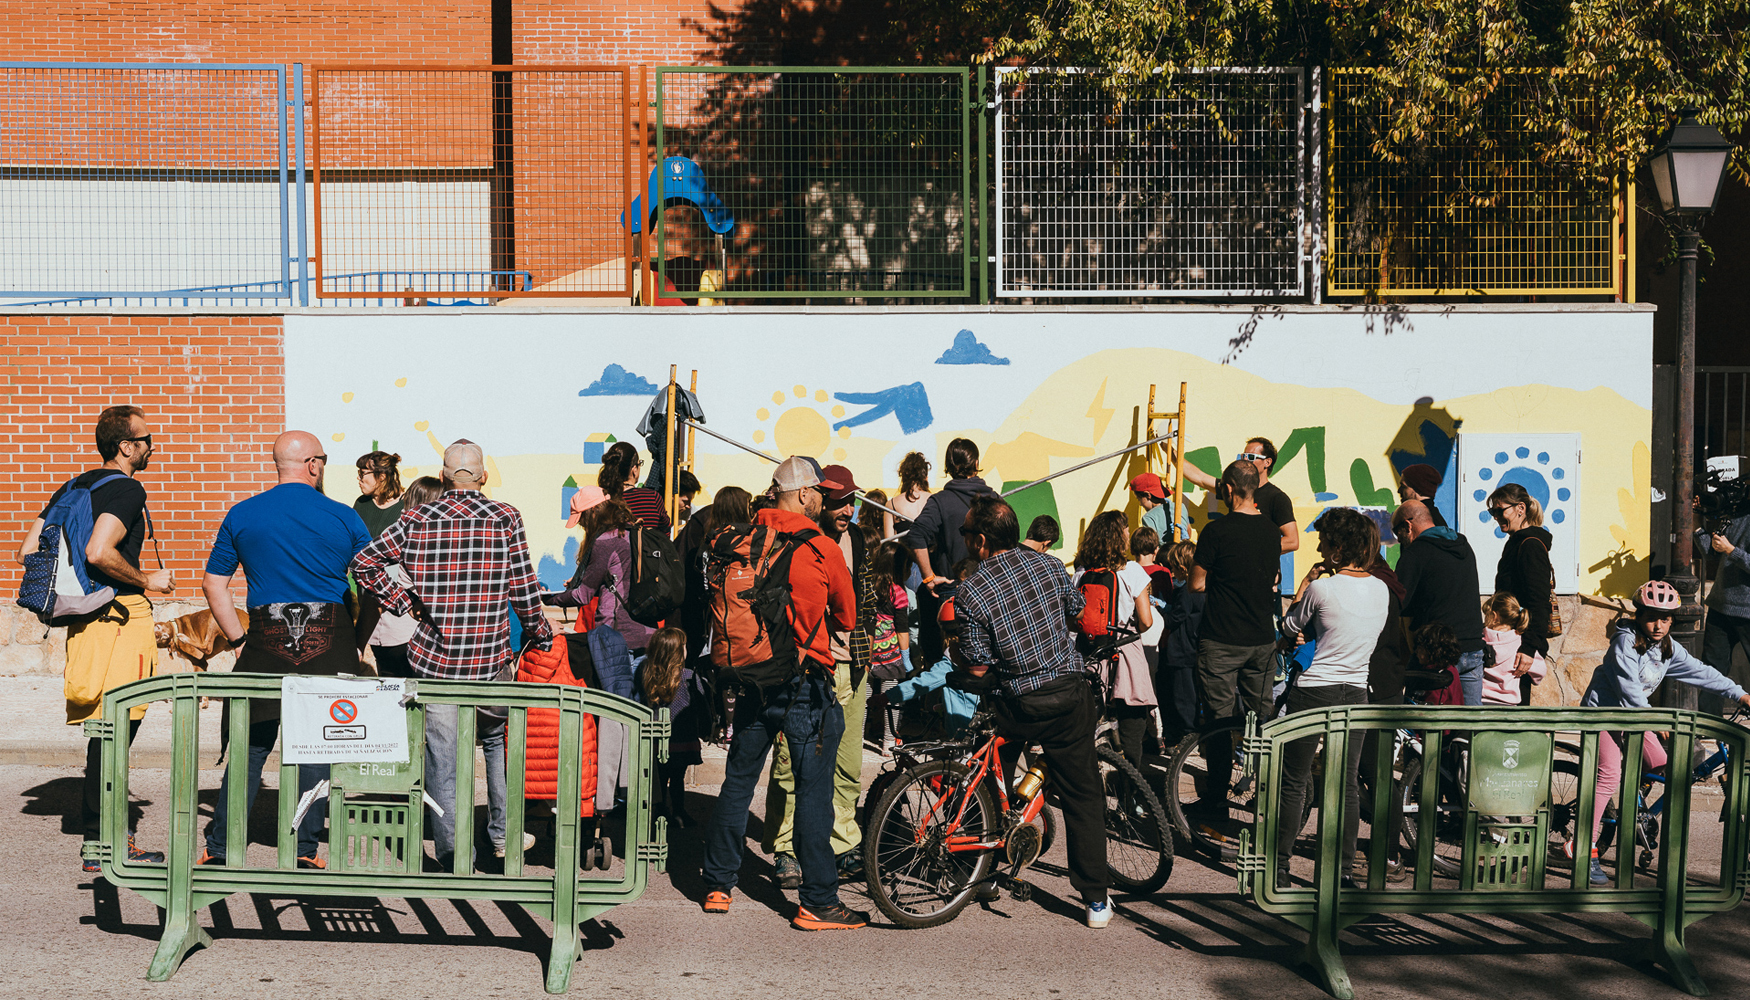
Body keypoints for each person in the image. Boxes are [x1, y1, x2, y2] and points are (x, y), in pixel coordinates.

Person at [350, 439, 554, 870]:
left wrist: (404, 600)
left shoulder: (417, 516)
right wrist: (539, 631)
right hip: (491, 661)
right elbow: (523, 585)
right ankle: (502, 837)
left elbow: (364, 563)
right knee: (498, 742)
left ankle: (453, 852)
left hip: (436, 661)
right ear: (482, 476)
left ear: (443, 477)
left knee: (444, 759)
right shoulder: (505, 517)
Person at [700, 456, 865, 931]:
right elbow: (848, 617)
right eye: (816, 491)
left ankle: (717, 885)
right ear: (804, 494)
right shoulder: (820, 547)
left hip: (750, 680)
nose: (820, 499)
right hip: (803, 684)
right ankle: (818, 902)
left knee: (737, 781)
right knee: (814, 792)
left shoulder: (741, 541)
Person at [198, 431, 372, 869]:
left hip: (264, 639)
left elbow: (213, 584)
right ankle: (304, 851)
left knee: (251, 747)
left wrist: (238, 639)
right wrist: (360, 638)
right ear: (313, 464)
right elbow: (374, 585)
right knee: (316, 749)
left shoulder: (242, 513)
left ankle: (220, 847)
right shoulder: (343, 517)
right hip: (331, 641)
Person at [15, 405, 173, 871]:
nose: (150, 446)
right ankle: (110, 843)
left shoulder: (74, 486)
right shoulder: (126, 488)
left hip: (87, 619)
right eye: (145, 439)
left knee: (102, 731)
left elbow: (27, 550)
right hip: (122, 618)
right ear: (126, 447)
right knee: (119, 729)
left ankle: (97, 840)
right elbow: (99, 550)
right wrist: (148, 579)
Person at [955, 495, 1112, 927]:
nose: (964, 539)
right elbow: (1079, 613)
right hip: (1067, 694)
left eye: (966, 533)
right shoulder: (1049, 566)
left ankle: (979, 867)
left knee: (988, 774)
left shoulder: (971, 591)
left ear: (982, 540)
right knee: (1083, 794)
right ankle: (1095, 899)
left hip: (1019, 703)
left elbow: (980, 665)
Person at [1578, 580, 1750, 885]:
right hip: (1604, 715)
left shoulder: (1667, 647)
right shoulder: (1625, 642)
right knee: (1608, 775)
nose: (1659, 625)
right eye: (1652, 617)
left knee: (1664, 766)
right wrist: (1654, 721)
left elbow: (1700, 671)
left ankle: (1636, 808)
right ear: (1639, 615)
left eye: (1666, 618)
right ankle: (1584, 850)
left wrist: (1740, 694)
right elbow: (1629, 689)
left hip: (1637, 718)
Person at [766, 463, 872, 886]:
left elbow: (866, 597)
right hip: (807, 666)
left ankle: (842, 844)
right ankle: (786, 849)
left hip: (853, 664)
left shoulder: (860, 540)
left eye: (852, 501)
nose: (847, 509)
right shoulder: (799, 539)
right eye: (840, 501)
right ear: (819, 498)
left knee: (847, 765)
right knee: (791, 763)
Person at [1275, 508, 1391, 888]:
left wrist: (1308, 582)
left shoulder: (1324, 588)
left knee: (1294, 781)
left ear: (1339, 548)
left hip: (1313, 690)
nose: (1321, 549)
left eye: (1325, 542)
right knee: (1346, 783)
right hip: (1356, 690)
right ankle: (1341, 871)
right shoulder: (1381, 588)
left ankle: (1278, 868)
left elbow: (1291, 625)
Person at [1187, 460, 1281, 839]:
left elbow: (1195, 584)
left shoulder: (1216, 532)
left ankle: (1216, 807)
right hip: (1261, 640)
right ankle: (1270, 798)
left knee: (1220, 723)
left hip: (1222, 640)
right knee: (1263, 722)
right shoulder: (1272, 532)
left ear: (1227, 489)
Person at [1072, 510, 1156, 770]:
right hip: (1124, 655)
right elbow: (1146, 621)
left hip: (1090, 658)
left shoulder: (1081, 575)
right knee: (1132, 726)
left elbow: (1072, 620)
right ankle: (1131, 796)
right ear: (1119, 537)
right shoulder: (1132, 571)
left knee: (1085, 727)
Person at [907, 438, 998, 663]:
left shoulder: (940, 501)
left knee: (949, 665)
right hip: (991, 591)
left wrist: (928, 576)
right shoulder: (996, 501)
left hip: (953, 593)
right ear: (976, 463)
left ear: (948, 466)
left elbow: (916, 535)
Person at [1393, 500, 1487, 705]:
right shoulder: (1463, 546)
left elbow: (1397, 602)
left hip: (1435, 653)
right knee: (1469, 727)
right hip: (1472, 648)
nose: (1398, 539)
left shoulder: (1415, 553)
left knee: (1419, 725)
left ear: (1408, 526)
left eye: (1397, 532)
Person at [553, 488, 655, 657]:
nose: (581, 524)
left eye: (581, 518)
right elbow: (622, 574)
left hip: (616, 635)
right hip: (648, 631)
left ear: (593, 511)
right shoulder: (631, 532)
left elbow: (582, 596)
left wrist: (550, 599)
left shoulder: (605, 541)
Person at [358, 469, 439, 680]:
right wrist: (409, 602)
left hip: (384, 637)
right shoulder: (421, 539)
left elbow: (373, 592)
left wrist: (360, 641)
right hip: (406, 635)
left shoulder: (392, 535)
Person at [1488, 483, 1555, 705]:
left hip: (1519, 645)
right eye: (1492, 512)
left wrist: (1528, 648)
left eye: (1500, 510)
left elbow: (1538, 600)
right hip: (1511, 641)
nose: (1496, 517)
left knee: (1514, 711)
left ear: (1521, 508)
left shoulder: (1530, 545)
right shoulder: (1516, 543)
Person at [1179, 437, 1299, 554]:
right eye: (1243, 456)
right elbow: (1200, 478)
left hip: (1261, 572)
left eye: (1251, 457)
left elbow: (1292, 541)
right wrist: (1171, 451)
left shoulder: (1277, 498)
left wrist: (1249, 549)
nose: (1245, 461)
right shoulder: (1234, 487)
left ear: (1267, 462)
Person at [638, 626, 702, 828]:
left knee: (659, 777)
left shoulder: (645, 674)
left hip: (656, 739)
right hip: (682, 738)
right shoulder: (689, 676)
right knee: (677, 777)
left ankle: (660, 810)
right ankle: (679, 812)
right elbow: (699, 704)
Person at [1158, 540, 1203, 747]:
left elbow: (1176, 617)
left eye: (1174, 568)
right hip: (1192, 649)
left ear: (1183, 568)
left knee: (1183, 697)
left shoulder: (1185, 591)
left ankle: (1188, 739)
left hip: (1182, 651)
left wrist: (1160, 613)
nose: (1172, 572)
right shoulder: (1201, 588)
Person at [1700, 507, 1750, 692]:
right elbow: (1711, 554)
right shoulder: (1735, 513)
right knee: (1712, 673)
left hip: (1747, 610)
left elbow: (1728, 551)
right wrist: (1698, 526)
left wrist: (1731, 550)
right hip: (1720, 606)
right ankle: (1710, 721)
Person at [1480, 592, 1546, 705]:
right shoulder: (1519, 644)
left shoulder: (1481, 639)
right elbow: (1540, 671)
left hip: (1482, 701)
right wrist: (1535, 679)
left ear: (1494, 617)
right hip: (1508, 705)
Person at [598, 440, 671, 533]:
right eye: (639, 463)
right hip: (649, 547)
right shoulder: (653, 497)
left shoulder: (604, 499)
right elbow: (665, 530)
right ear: (634, 469)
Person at [352, 450, 406, 537]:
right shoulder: (361, 503)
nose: (358, 477)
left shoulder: (406, 506)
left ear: (382, 476)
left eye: (362, 473)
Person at [890, 450, 933, 535]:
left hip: (904, 548)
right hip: (930, 548)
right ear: (925, 478)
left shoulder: (892, 504)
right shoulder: (935, 500)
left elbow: (889, 544)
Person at [1397, 463, 1448, 527]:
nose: (1398, 491)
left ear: (1418, 488)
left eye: (1403, 486)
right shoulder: (1434, 518)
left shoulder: (1419, 520)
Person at [1129, 472, 1172, 544]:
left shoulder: (1148, 518)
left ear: (1148, 495)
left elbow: (1152, 546)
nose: (1140, 504)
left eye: (1139, 499)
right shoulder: (1180, 508)